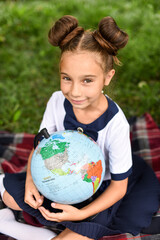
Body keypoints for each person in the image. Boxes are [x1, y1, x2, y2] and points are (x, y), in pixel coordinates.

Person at [0, 15, 160, 240]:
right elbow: (41, 146)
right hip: (62, 177)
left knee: (79, 235)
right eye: (67, 78)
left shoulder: (116, 124)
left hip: (99, 189)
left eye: (87, 81)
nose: (74, 91)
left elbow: (118, 188)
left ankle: (43, 232)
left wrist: (81, 214)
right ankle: (10, 220)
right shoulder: (57, 101)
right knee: (10, 196)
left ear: (107, 77)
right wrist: (30, 183)